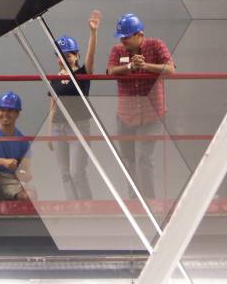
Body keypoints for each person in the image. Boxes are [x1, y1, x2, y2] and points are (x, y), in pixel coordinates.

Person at [106, 13, 175, 199]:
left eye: (126, 37)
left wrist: (146, 66)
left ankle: (149, 201)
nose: (123, 41)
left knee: (144, 159)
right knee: (128, 159)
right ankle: (134, 199)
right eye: (121, 38)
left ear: (139, 35)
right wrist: (129, 67)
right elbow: (110, 70)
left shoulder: (156, 45)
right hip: (126, 115)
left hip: (151, 114)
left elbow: (170, 69)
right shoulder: (117, 50)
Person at [49, 10, 100, 199]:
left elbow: (91, 57)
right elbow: (52, 104)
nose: (63, 58)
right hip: (58, 128)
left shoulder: (82, 74)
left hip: (78, 126)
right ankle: (72, 208)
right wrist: (49, 131)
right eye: (60, 55)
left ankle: (88, 207)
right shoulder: (55, 78)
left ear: (76, 55)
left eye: (68, 55)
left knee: (76, 172)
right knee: (65, 174)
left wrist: (93, 33)